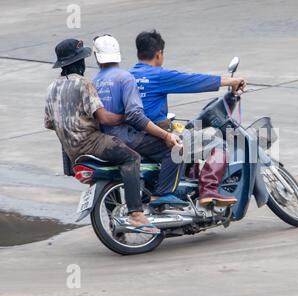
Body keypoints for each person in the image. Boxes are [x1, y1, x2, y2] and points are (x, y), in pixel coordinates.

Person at [44, 38, 158, 234]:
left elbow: (49, 123)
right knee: (131, 158)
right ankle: (136, 213)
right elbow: (105, 118)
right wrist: (127, 117)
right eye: (82, 59)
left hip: (71, 151)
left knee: (109, 175)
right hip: (92, 143)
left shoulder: (52, 87)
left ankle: (116, 227)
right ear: (77, 62)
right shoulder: (83, 84)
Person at [130, 30, 247, 206]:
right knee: (217, 145)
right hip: (154, 136)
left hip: (130, 136)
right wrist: (232, 82)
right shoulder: (158, 75)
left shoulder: (127, 76)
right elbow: (194, 81)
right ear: (158, 54)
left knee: (187, 139)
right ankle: (208, 191)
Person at [91, 34, 186, 206]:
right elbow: (135, 115)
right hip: (127, 139)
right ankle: (162, 195)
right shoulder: (125, 77)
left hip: (104, 141)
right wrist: (166, 136)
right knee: (175, 149)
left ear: (97, 57)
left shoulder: (94, 81)